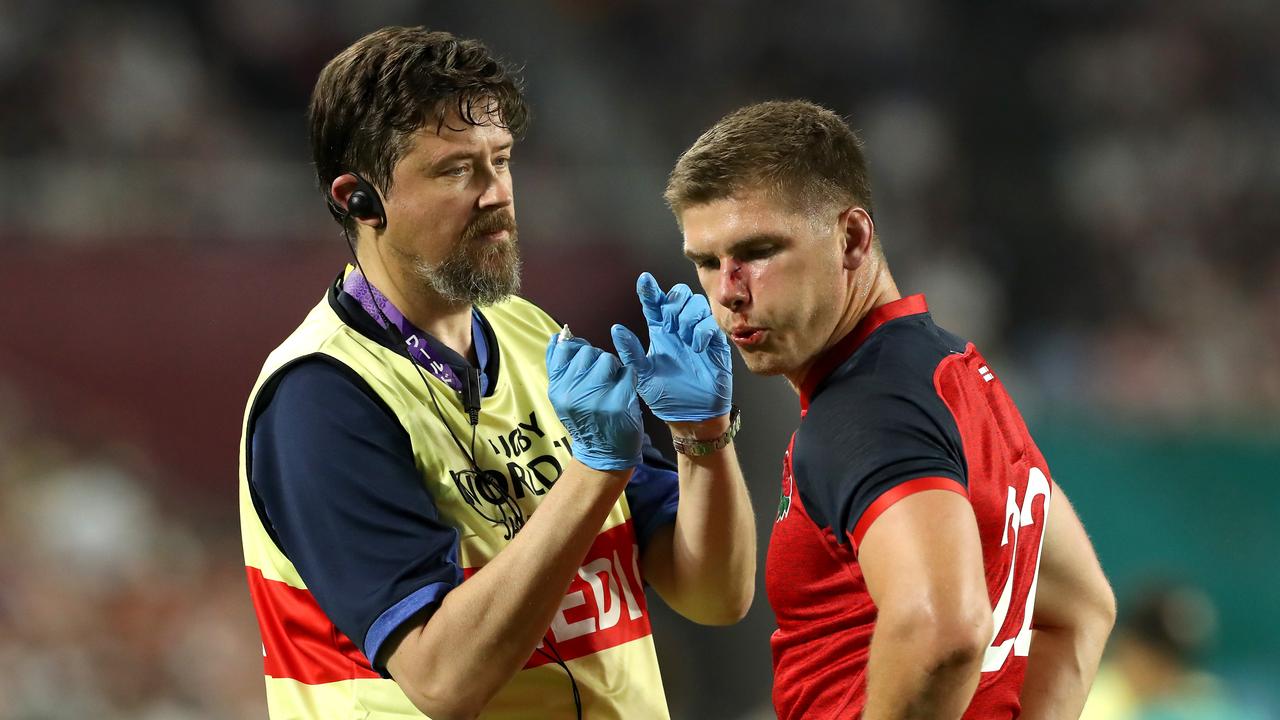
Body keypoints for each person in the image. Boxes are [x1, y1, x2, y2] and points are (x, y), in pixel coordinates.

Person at [237, 27, 755, 720]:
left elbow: (713, 594)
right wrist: (594, 471)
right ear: (359, 199)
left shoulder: (531, 333)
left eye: (501, 160)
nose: (496, 194)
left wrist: (702, 438)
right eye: (455, 171)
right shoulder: (319, 398)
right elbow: (442, 677)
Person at [661, 99, 1117, 719]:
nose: (727, 291)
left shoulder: (864, 413)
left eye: (758, 251)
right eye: (706, 262)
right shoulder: (952, 371)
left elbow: (945, 631)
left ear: (851, 239)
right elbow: (1081, 608)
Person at [1082, 582, 1268, 720]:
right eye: (1157, 659)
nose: (1169, 672)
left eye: (1177, 660)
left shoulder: (1200, 695)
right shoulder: (1091, 704)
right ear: (1128, 645)